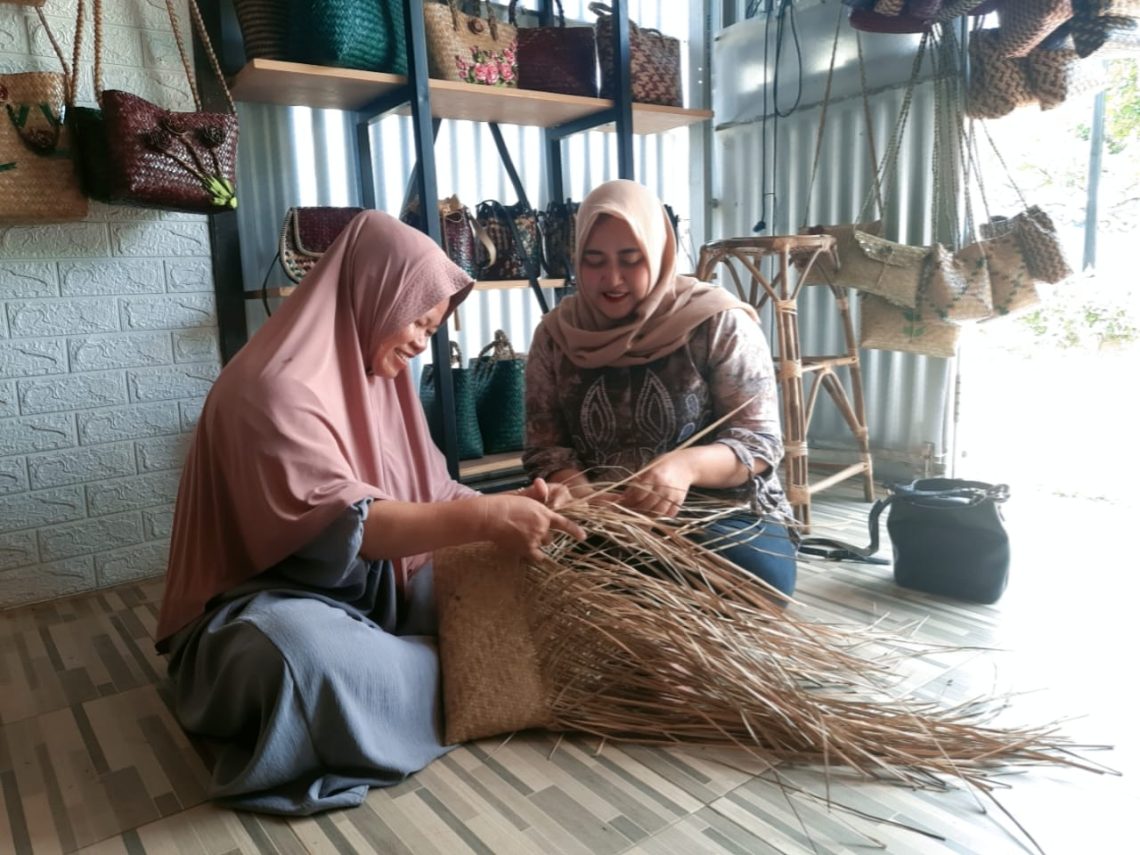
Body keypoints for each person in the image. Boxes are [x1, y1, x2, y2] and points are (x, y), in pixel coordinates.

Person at [155, 210, 584, 816]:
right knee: (298, 659)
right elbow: (350, 524)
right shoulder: (270, 389)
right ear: (370, 294)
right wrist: (487, 521)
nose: (420, 339)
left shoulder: (382, 378)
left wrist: (510, 505)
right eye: (415, 318)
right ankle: (465, 675)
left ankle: (418, 678)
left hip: (370, 594)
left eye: (432, 327)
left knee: (497, 569)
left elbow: (436, 494)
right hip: (264, 602)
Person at [523, 179, 797, 596]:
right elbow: (546, 447)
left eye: (631, 259)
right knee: (550, 571)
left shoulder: (715, 321)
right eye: (594, 260)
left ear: (659, 252)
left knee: (753, 576)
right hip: (600, 514)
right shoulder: (557, 335)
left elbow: (758, 441)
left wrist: (683, 467)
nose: (611, 278)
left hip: (714, 511)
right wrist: (583, 495)